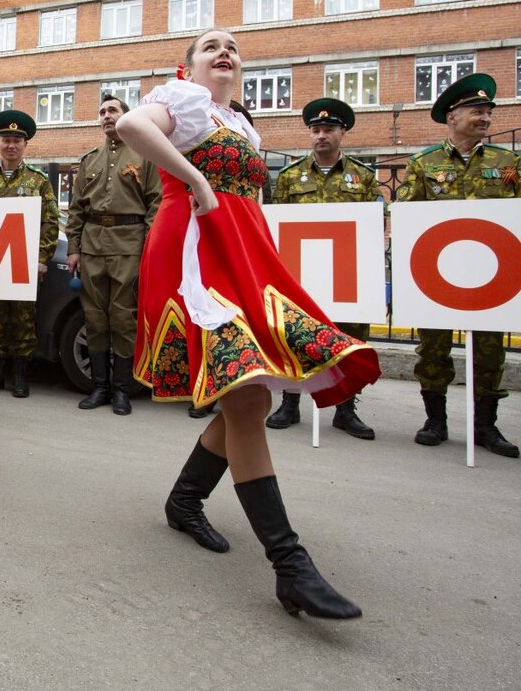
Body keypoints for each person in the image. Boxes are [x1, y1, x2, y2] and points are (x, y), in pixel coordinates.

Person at [116, 30, 380, 619]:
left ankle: (185, 500)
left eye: (232, 46)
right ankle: (290, 565)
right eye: (210, 46)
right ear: (188, 66)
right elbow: (131, 127)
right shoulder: (182, 102)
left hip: (242, 253)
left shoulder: (240, 125)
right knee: (243, 399)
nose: (224, 51)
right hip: (195, 256)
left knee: (253, 399)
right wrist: (197, 179)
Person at [396, 73, 519, 459]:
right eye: (476, 111)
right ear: (452, 117)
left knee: (490, 351)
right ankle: (436, 421)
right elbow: (406, 218)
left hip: (491, 277)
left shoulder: (509, 163)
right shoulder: (423, 164)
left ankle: (485, 426)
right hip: (437, 276)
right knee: (433, 349)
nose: (485, 117)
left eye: (487, 112)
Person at [264, 98, 382, 440]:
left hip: (347, 273)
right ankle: (290, 403)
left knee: (347, 338)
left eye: (328, 129)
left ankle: (346, 410)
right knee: (296, 337)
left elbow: (375, 225)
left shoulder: (364, 177)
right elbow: (277, 227)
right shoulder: (289, 177)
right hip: (302, 274)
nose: (321, 135)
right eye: (315, 130)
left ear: (342, 132)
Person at [65, 95, 161, 416]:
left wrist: (149, 249)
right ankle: (99, 387)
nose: (107, 116)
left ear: (126, 117)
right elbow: (77, 209)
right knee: (94, 317)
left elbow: (155, 205)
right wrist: (74, 249)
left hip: (129, 246)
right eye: (102, 112)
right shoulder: (89, 160)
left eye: (113, 111)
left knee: (122, 318)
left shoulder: (146, 155)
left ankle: (121, 389)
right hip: (92, 245)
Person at [0, 111, 59, 398]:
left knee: (24, 319)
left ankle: (20, 376)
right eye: (6, 140)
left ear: (25, 145)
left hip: (24, 262)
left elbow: (50, 222)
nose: (11, 145)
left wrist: (42, 259)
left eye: (17, 141)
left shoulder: (38, 180)